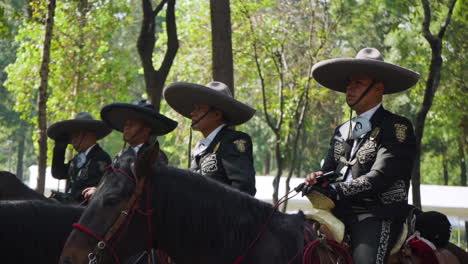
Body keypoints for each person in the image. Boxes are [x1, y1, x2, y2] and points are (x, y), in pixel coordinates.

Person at [302, 48, 419, 264]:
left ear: (378, 89)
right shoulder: (342, 130)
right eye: (349, 83)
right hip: (337, 210)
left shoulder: (397, 127)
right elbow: (330, 170)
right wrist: (317, 179)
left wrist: (338, 189)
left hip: (376, 214)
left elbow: (382, 176)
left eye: (358, 83)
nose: (350, 88)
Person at [164, 81, 257, 195]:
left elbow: (244, 186)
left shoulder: (232, 141)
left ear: (217, 115)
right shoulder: (201, 147)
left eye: (199, 108)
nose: (192, 113)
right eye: (194, 108)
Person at [82, 100, 178, 199]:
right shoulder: (120, 156)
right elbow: (112, 182)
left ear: (146, 130)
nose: (126, 128)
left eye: (131, 125)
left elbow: (153, 190)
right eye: (125, 124)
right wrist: (98, 190)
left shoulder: (156, 157)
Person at [47, 112, 112, 203]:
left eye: (75, 136)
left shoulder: (101, 157)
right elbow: (58, 173)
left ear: (87, 134)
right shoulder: (77, 158)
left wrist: (65, 198)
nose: (72, 141)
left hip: (85, 210)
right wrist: (59, 149)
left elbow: (89, 189)